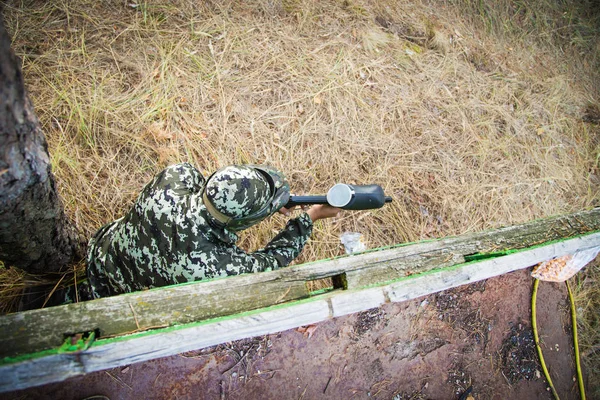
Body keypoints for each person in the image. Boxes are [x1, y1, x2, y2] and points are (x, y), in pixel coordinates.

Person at [83, 163, 340, 299]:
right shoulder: (216, 268)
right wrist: (309, 218)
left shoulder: (174, 177)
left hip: (99, 255)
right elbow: (272, 261)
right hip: (111, 297)